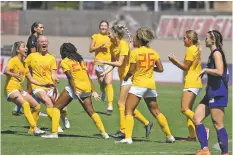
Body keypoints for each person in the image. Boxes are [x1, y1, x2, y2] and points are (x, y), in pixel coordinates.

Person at [117, 27, 175, 144]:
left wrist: (126, 77)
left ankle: (128, 138)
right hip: (150, 85)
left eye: (135, 38)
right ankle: (169, 136)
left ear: (139, 39)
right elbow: (160, 68)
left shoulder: (135, 52)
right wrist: (148, 68)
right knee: (156, 111)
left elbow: (132, 70)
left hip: (138, 85)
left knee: (128, 110)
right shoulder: (154, 52)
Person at [95, 25, 153, 138]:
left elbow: (120, 63)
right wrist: (105, 72)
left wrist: (103, 62)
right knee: (128, 106)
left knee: (121, 104)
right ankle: (146, 123)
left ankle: (123, 131)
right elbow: (113, 63)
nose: (108, 35)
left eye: (110, 33)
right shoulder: (111, 46)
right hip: (123, 78)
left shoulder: (123, 45)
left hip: (129, 77)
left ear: (116, 35)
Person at [42, 43, 109, 139]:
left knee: (56, 107)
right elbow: (87, 75)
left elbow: (70, 78)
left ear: (64, 51)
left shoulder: (65, 62)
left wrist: (75, 91)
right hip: (86, 87)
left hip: (75, 87)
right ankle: (104, 133)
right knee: (91, 111)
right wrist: (93, 90)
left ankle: (54, 133)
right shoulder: (80, 60)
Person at [4, 41, 53, 135]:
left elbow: (31, 79)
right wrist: (14, 74)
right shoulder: (13, 60)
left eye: (26, 47)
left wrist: (45, 84)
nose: (26, 48)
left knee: (37, 106)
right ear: (18, 50)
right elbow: (6, 71)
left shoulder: (24, 63)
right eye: (23, 47)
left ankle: (31, 130)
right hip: (10, 89)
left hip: (19, 90)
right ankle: (35, 128)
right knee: (25, 104)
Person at [168, 30, 209, 141]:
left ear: (190, 40)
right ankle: (192, 136)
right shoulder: (195, 48)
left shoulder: (191, 49)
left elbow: (185, 67)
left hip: (191, 82)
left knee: (184, 109)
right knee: (188, 109)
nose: (183, 40)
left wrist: (174, 61)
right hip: (195, 82)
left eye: (185, 38)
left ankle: (202, 128)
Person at [193, 30, 229, 155]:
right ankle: (205, 150)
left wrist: (206, 70)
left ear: (213, 40)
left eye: (207, 38)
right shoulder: (213, 54)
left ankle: (225, 153)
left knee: (218, 124)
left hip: (218, 93)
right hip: (211, 93)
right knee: (197, 118)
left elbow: (220, 71)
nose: (205, 39)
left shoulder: (217, 53)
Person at [25, 35, 69, 132]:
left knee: (61, 106)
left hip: (50, 86)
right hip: (38, 86)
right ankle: (56, 125)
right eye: (42, 42)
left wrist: (55, 79)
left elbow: (53, 74)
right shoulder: (32, 56)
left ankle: (64, 117)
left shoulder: (51, 58)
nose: (44, 43)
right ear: (38, 44)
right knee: (48, 102)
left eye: (45, 41)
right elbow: (23, 66)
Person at [12, 22, 45, 116]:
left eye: (43, 27)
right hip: (31, 66)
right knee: (30, 89)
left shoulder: (37, 38)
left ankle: (35, 107)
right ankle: (17, 108)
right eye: (41, 27)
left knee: (35, 88)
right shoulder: (33, 38)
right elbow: (34, 54)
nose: (42, 29)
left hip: (33, 66)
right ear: (35, 28)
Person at [89, 20, 114, 113]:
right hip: (98, 63)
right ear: (99, 27)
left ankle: (110, 104)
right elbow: (90, 49)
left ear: (107, 27)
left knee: (108, 82)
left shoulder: (110, 37)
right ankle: (103, 91)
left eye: (105, 26)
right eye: (102, 26)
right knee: (101, 82)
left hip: (108, 62)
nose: (103, 27)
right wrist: (100, 46)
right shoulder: (95, 36)